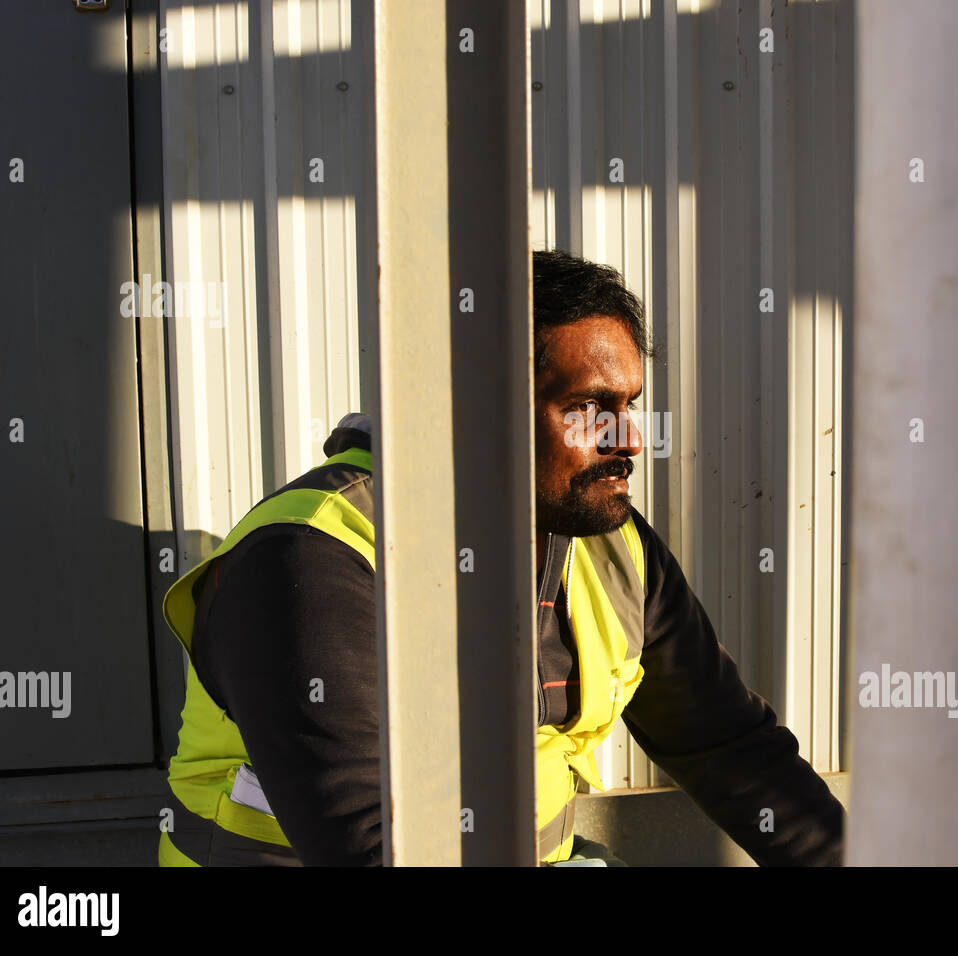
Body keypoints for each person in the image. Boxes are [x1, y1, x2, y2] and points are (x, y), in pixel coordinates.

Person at [157, 249, 845, 867]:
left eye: (630, 404)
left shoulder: (609, 545)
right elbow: (367, 846)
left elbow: (727, 746)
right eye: (587, 405)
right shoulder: (310, 561)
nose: (629, 437)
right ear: (472, 407)